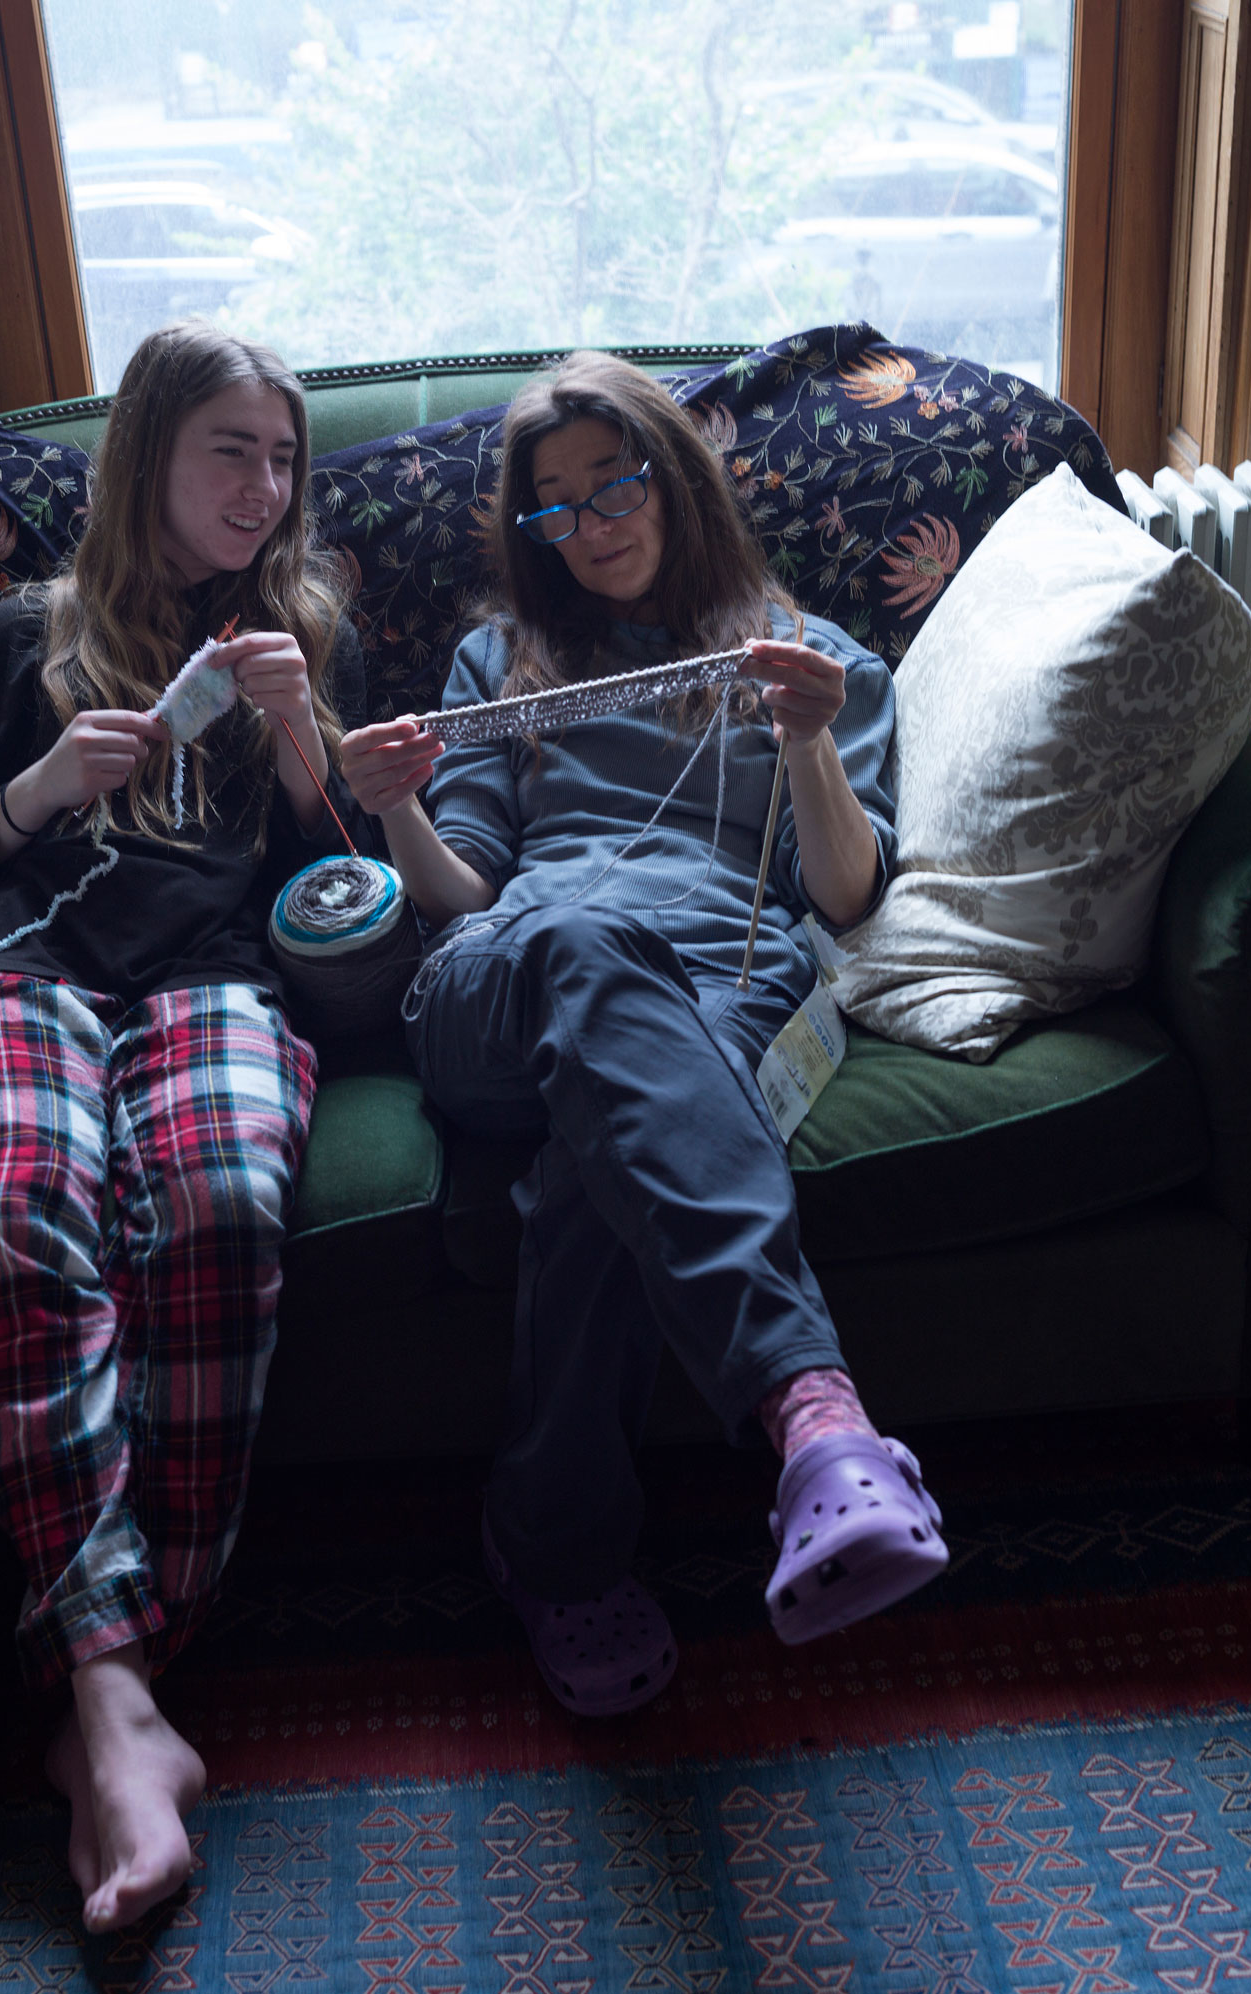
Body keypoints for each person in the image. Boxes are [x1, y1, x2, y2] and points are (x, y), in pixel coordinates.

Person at [336, 350, 945, 1717]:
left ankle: (554, 1548)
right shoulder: (500, 661)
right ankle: (816, 1417)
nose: (591, 520)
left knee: (593, 1169)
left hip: (725, 983)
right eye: (554, 504)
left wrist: (803, 741)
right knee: (590, 950)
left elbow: (842, 894)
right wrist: (394, 811)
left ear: (676, 475)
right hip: (504, 971)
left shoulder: (822, 662)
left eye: (614, 481)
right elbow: (466, 894)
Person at [0, 321, 363, 1928]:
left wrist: (305, 744)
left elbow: (353, 887)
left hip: (218, 978)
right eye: (230, 449)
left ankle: (112, 1682)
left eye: (283, 457)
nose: (264, 485)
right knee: (22, 1211)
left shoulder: (303, 634)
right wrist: (37, 792)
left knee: (225, 1198)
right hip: (23, 967)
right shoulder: (28, 632)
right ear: (147, 455)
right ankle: (114, 1696)